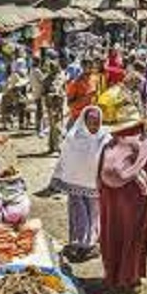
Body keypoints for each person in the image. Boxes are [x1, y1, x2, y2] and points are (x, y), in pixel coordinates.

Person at [99, 122, 147, 291]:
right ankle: (130, 278)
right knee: (133, 235)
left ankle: (111, 276)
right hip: (134, 197)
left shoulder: (109, 144)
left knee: (112, 232)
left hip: (109, 197)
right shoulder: (142, 144)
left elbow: (99, 172)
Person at [51, 106, 112, 262]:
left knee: (94, 213)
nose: (94, 126)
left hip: (95, 184)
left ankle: (90, 244)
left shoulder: (105, 138)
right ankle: (78, 243)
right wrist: (61, 176)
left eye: (97, 122)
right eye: (91, 122)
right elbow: (65, 158)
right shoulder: (73, 138)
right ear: (84, 121)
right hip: (75, 183)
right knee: (78, 212)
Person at [66, 59, 96, 130]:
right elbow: (69, 103)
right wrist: (83, 99)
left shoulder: (94, 79)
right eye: (88, 66)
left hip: (90, 116)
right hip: (77, 117)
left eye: (92, 66)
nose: (91, 68)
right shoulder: (75, 83)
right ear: (82, 67)